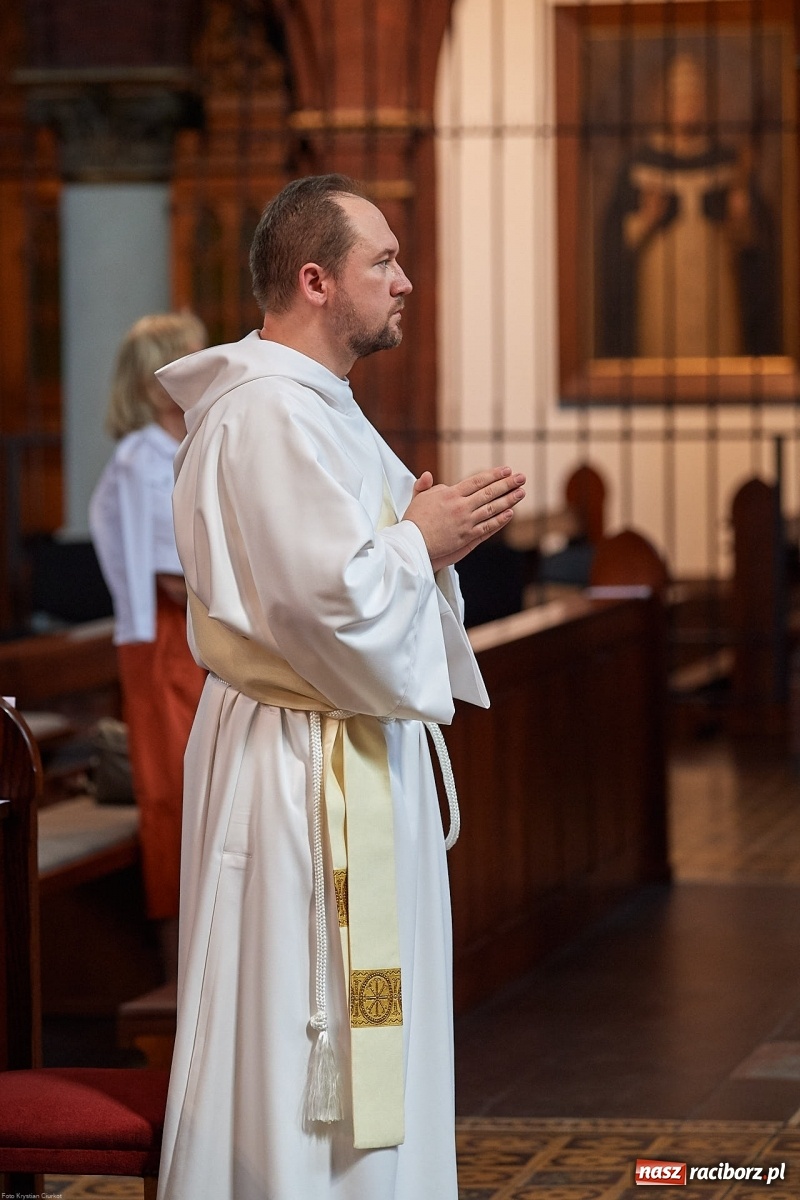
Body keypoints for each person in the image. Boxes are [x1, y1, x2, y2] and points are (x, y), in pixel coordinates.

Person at [155, 174, 526, 1200]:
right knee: (291, 1030)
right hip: (295, 772)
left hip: (343, 747)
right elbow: (326, 609)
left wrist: (418, 540)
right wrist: (419, 540)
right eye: (383, 263)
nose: (404, 282)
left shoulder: (324, 411)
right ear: (315, 281)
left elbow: (350, 579)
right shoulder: (268, 415)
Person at [88, 312, 208, 975]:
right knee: (175, 796)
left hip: (199, 632)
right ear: (159, 380)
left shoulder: (194, 442)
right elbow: (168, 577)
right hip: (166, 644)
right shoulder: (142, 460)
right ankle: (179, 976)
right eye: (188, 358)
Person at [598, 51, 779, 359]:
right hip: (661, 293)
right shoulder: (639, 165)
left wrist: (740, 218)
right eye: (680, 99)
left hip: (717, 289)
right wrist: (646, 219)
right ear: (663, 104)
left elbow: (756, 241)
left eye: (695, 98)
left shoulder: (728, 162)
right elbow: (614, 241)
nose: (689, 106)